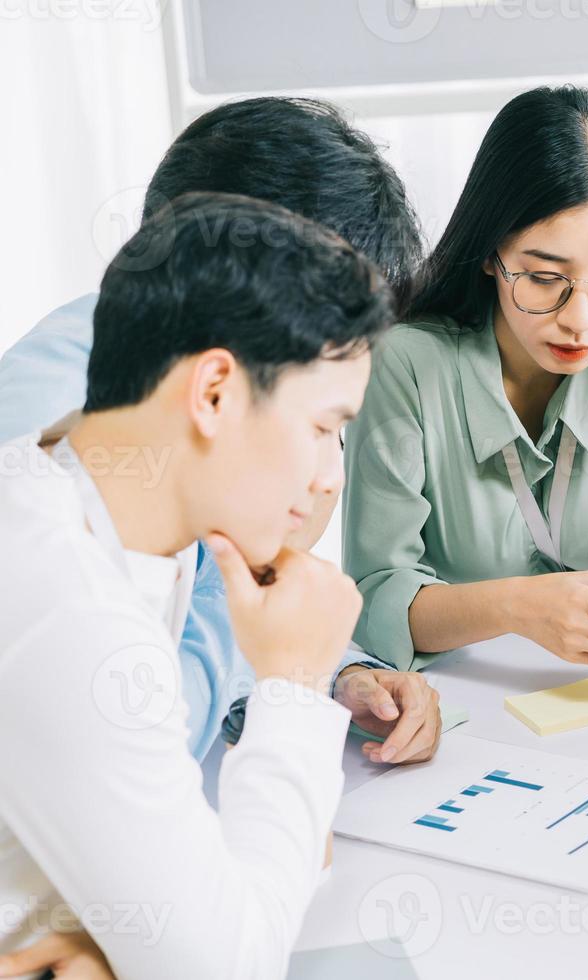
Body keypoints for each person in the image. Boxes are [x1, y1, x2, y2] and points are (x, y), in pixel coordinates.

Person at [0, 194, 400, 977]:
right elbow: (225, 965)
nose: (330, 476)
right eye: (323, 428)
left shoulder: (83, 497)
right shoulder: (72, 605)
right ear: (213, 392)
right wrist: (294, 683)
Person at [0, 96, 439, 768]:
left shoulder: (199, 394)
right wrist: (253, 563)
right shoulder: (59, 430)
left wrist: (339, 672)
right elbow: (140, 746)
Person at [344, 85, 588, 673]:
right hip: (465, 710)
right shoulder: (404, 362)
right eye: (543, 277)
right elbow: (376, 593)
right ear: (488, 252)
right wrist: (514, 607)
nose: (580, 321)